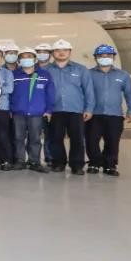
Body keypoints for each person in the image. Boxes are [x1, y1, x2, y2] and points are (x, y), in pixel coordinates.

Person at [44, 39, 95, 175]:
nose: (61, 53)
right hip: (54, 110)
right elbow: (42, 91)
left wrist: (89, 109)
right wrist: (45, 109)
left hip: (76, 110)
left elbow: (88, 90)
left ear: (70, 52)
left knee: (77, 139)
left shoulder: (81, 69)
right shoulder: (46, 70)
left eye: (65, 50)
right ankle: (58, 163)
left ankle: (77, 165)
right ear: (53, 53)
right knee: (55, 138)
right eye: (57, 50)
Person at [86, 44, 131, 176]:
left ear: (113, 57)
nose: (105, 58)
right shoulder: (88, 74)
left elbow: (130, 94)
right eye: (101, 56)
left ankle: (110, 165)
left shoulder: (123, 75)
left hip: (115, 115)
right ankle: (94, 163)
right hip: (93, 114)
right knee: (91, 140)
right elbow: (83, 93)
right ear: (95, 58)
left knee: (113, 141)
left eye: (108, 55)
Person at [10, 48, 54, 173]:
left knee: (35, 138)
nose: (26, 59)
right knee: (18, 138)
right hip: (18, 113)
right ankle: (20, 161)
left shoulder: (44, 75)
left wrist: (49, 110)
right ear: (19, 60)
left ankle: (34, 161)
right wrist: (10, 109)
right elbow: (9, 94)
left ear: (35, 59)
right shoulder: (14, 75)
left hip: (37, 113)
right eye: (23, 57)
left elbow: (50, 93)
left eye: (29, 56)